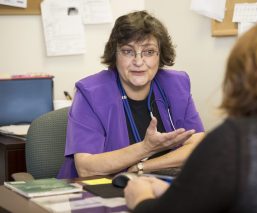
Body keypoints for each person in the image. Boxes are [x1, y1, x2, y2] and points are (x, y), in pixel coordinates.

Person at [124, 15, 257, 212]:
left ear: (243, 74)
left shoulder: (235, 140)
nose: (139, 62)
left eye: (149, 52)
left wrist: (140, 197)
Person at [57, 10, 205, 179]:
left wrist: (143, 167)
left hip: (160, 187)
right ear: (115, 54)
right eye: (128, 51)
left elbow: (198, 145)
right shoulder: (91, 93)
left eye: (149, 52)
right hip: (101, 191)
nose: (138, 62)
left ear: (160, 54)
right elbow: (86, 167)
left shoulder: (176, 84)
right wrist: (145, 147)